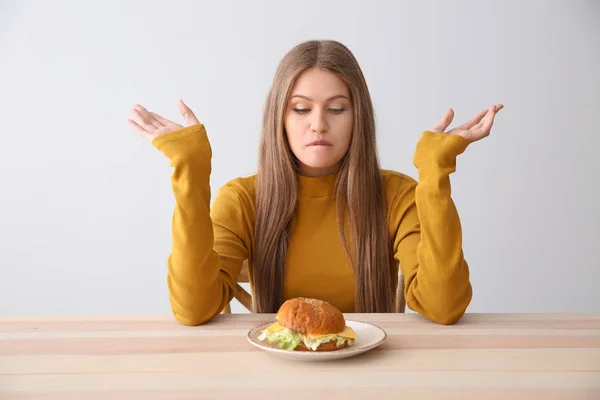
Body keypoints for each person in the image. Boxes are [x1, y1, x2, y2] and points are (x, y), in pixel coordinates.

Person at [127, 40, 503, 326]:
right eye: (301, 109)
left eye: (337, 109)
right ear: (281, 118)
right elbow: (193, 309)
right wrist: (191, 170)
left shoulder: (397, 196)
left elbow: (444, 306)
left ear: (359, 119)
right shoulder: (243, 199)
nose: (319, 124)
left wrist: (435, 170)